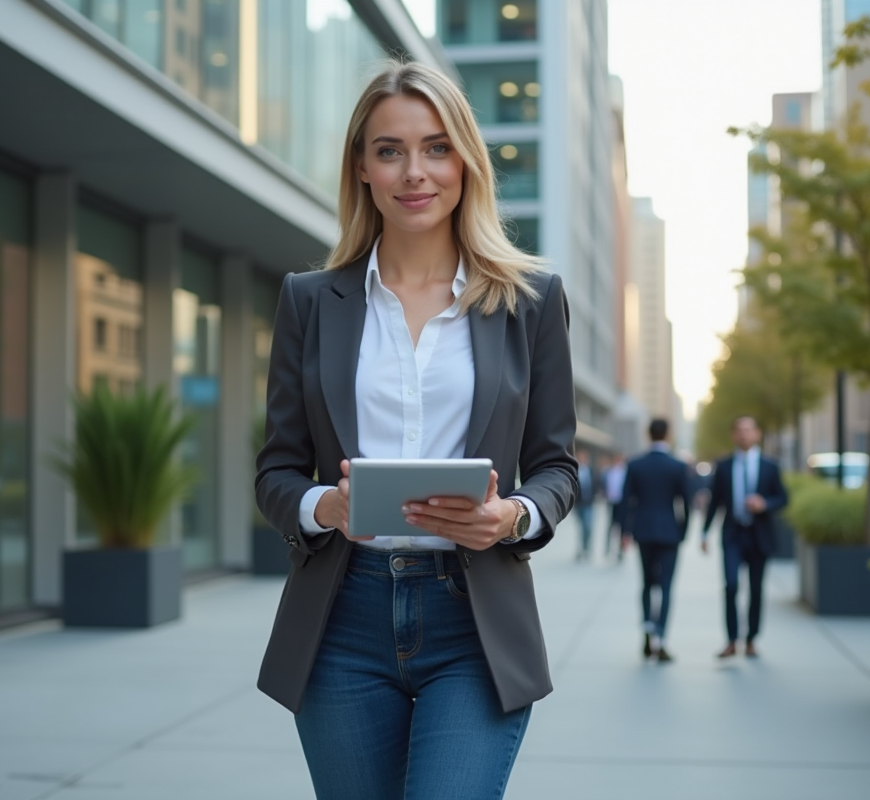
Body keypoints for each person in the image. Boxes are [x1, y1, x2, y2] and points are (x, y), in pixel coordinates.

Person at [253, 60, 578, 800]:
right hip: (342, 620)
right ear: (362, 168)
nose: (414, 172)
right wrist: (323, 508)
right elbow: (275, 471)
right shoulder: (310, 301)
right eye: (389, 150)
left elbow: (557, 467)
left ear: (465, 161)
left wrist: (511, 517)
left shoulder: (531, 301)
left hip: (475, 624)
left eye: (436, 147)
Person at [701, 415, 788, 658]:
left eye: (748, 430)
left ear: (757, 434)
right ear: (733, 435)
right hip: (732, 534)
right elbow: (715, 501)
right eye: (739, 430)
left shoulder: (770, 465)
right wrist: (704, 531)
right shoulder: (724, 465)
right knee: (730, 586)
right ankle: (731, 639)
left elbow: (783, 498)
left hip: (760, 535)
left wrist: (765, 503)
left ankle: (751, 639)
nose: (744, 434)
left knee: (756, 589)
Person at [621, 419, 691, 662]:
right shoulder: (677, 465)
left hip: (643, 531)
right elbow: (686, 502)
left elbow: (625, 500)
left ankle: (647, 633)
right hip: (669, 531)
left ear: (648, 434)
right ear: (668, 434)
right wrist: (683, 531)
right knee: (666, 586)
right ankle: (660, 635)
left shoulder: (636, 464)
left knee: (647, 583)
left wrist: (624, 532)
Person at [601, 450, 629, 561]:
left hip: (622, 503)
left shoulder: (625, 472)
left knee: (622, 526)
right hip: (611, 501)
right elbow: (603, 484)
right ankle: (608, 548)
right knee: (610, 526)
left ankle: (620, 550)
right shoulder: (608, 471)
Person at [574, 449, 596, 561]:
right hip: (579, 504)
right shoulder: (574, 471)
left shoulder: (591, 470)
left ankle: (586, 548)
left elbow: (595, 484)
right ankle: (582, 549)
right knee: (582, 527)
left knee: (588, 527)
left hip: (589, 503)